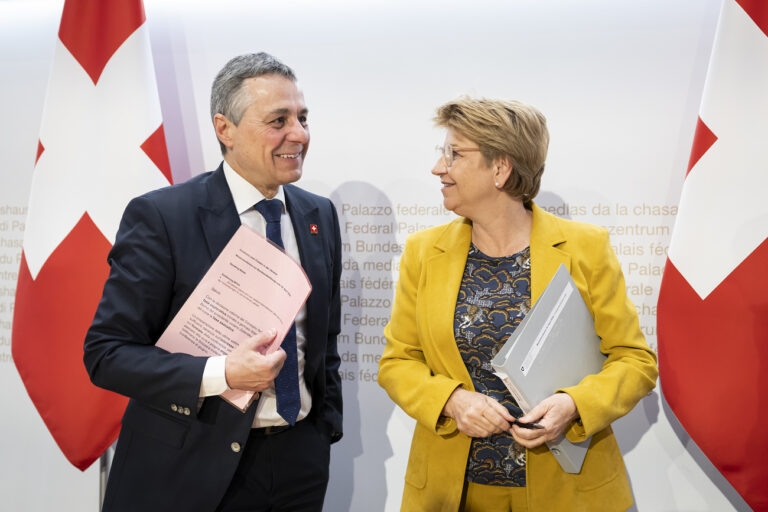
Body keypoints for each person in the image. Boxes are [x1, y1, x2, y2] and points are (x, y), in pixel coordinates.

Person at [84, 53, 343, 512]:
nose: (299, 135)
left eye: (302, 118)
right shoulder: (163, 217)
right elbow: (107, 355)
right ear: (225, 129)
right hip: (188, 466)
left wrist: (321, 432)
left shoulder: (317, 214)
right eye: (278, 120)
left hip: (297, 465)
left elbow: (325, 340)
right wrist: (223, 374)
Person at [378, 97, 658, 511]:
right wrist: (453, 401)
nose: (439, 167)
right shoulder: (424, 252)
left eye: (454, 154)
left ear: (500, 168)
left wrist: (573, 405)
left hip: (565, 490)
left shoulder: (586, 248)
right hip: (454, 492)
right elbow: (397, 362)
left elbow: (635, 362)